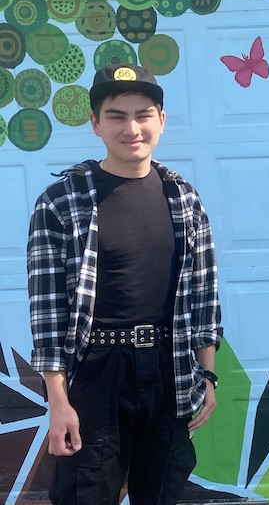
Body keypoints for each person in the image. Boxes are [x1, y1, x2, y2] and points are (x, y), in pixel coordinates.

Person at [27, 63, 223, 505]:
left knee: (162, 492)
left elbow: (203, 294)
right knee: (86, 494)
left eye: (143, 114)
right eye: (116, 116)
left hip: (167, 366)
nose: (131, 128)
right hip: (96, 370)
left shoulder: (184, 199)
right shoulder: (61, 202)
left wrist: (208, 373)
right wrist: (58, 402)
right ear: (95, 123)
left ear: (161, 121)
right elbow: (47, 313)